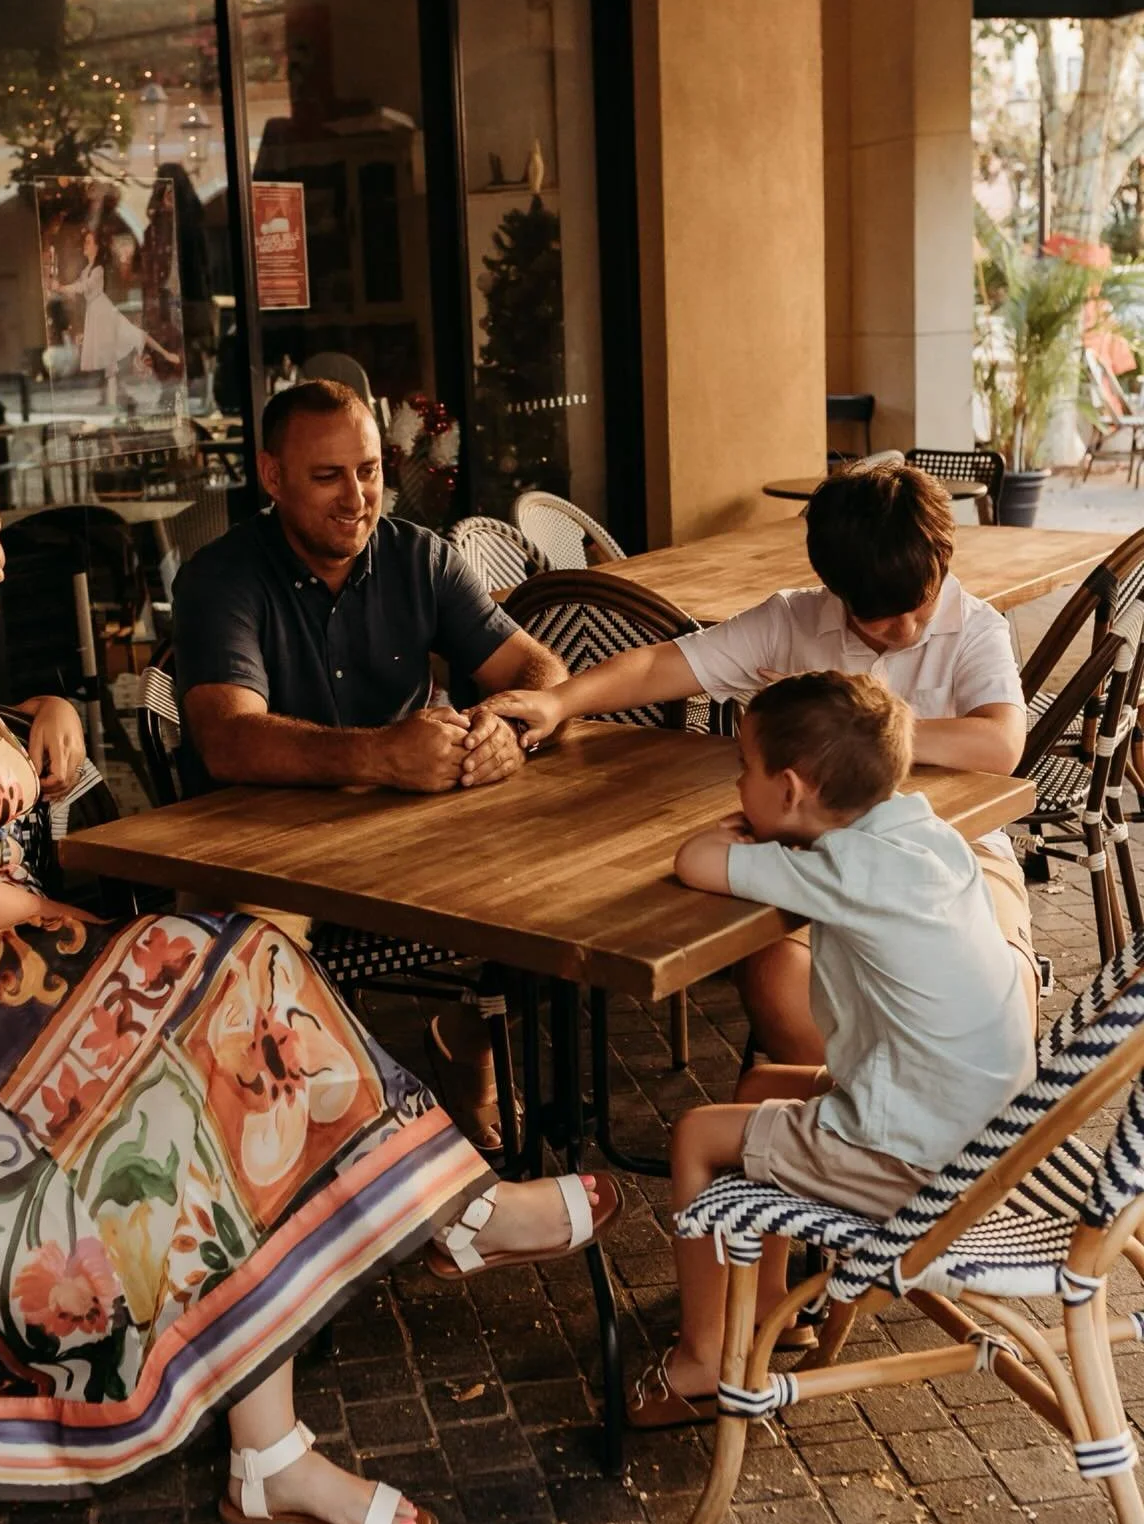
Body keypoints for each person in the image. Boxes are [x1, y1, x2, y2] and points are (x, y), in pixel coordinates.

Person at [0, 436, 615, 1524]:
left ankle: (274, 1453)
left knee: (215, 1058)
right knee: (232, 970)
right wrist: (57, 914)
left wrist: (47, 711)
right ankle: (461, 1213)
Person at [484, 459, 1039, 1061]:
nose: (905, 628)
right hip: (812, 857)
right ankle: (842, 1124)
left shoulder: (974, 627)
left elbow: (1000, 745)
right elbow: (660, 665)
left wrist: (850, 726)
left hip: (961, 850)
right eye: (879, 614)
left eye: (920, 605)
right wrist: (559, 700)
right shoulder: (792, 621)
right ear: (836, 588)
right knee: (775, 978)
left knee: (1007, 1004)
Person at [172, 378, 570, 1148]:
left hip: (406, 844)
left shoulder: (422, 557)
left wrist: (502, 732)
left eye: (369, 471)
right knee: (251, 972)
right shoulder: (221, 577)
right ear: (272, 476)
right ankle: (335, 1164)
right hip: (261, 856)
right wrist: (382, 754)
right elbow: (227, 740)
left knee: (559, 895)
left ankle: (468, 1052)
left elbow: (540, 674)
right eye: (327, 477)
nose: (356, 497)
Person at [629, 671, 1034, 1426]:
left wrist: (722, 836)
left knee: (694, 1133)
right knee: (758, 1090)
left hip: (918, 1165)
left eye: (741, 769)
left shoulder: (847, 868)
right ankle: (775, 1309)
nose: (736, 779)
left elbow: (695, 863)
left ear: (788, 789)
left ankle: (700, 1363)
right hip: (986, 1136)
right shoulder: (928, 838)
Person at [51, 227, 183, 406]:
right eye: (85, 242)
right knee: (109, 360)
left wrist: (62, 288)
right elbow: (78, 286)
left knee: (134, 335)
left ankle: (166, 355)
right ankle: (112, 397)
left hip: (102, 311)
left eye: (89, 242)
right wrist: (61, 288)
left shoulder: (98, 270)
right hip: (95, 313)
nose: (85, 246)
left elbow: (83, 287)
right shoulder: (87, 269)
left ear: (97, 247)